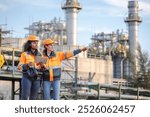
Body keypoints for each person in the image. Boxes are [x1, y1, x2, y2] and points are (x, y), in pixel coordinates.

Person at [18, 35, 42, 100]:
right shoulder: (24, 54)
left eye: (36, 43)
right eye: (34, 43)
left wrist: (43, 66)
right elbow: (19, 67)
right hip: (27, 77)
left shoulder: (39, 55)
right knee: (25, 97)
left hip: (36, 78)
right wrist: (27, 65)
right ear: (29, 44)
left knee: (33, 98)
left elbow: (40, 67)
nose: (36, 44)